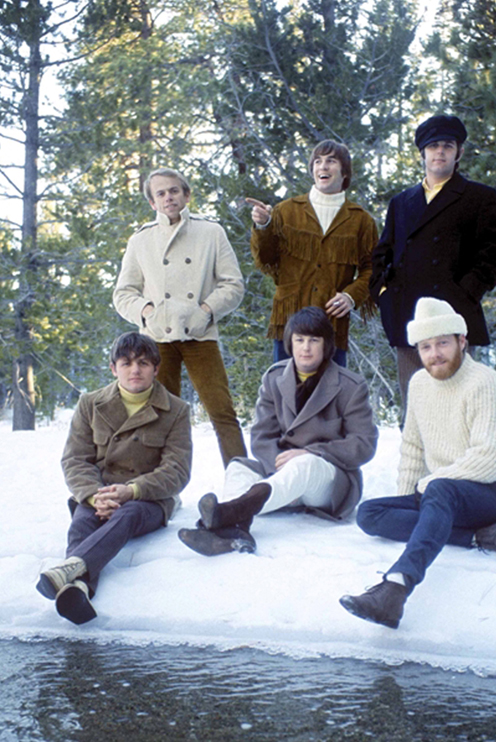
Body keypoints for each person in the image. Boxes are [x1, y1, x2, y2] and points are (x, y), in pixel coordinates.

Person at [339, 298, 496, 630]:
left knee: (440, 488)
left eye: (442, 343)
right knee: (370, 514)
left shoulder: (486, 383)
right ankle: (480, 536)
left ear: (462, 341)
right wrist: (409, 496)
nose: (434, 354)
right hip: (444, 494)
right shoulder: (419, 384)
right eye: (425, 346)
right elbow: (413, 448)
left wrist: (430, 487)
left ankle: (396, 587)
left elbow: (490, 460)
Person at [178, 307, 378, 556]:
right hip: (280, 474)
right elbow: (262, 436)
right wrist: (279, 473)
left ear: (326, 345)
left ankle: (228, 512)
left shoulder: (350, 385)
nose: (306, 348)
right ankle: (234, 531)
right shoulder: (274, 378)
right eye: (299, 340)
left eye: (314, 340)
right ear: (290, 343)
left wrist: (311, 453)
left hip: (327, 482)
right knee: (238, 467)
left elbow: (363, 444)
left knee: (304, 464)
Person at [36, 332, 192, 625]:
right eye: (126, 363)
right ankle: (79, 587)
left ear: (156, 368)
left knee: (128, 514)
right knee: (82, 522)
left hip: (148, 499)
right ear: (113, 368)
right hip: (100, 493)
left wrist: (131, 491)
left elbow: (177, 470)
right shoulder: (90, 404)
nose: (135, 370)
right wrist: (95, 496)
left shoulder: (176, 410)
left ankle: (71, 567)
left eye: (143, 363)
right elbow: (75, 459)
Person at [370, 114, 496, 410]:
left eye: (448, 146)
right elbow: (382, 254)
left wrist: (466, 292)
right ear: (422, 153)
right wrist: (384, 294)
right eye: (433, 146)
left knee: (458, 405)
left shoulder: (479, 197)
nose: (440, 152)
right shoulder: (401, 202)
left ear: (459, 152)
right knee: (415, 406)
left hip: (454, 315)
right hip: (408, 317)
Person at [113, 167, 246, 466]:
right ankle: (157, 483)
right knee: (158, 416)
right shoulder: (141, 240)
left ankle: (243, 480)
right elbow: (123, 293)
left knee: (222, 411)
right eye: (160, 193)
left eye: (174, 191)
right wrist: (148, 313)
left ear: (186, 195)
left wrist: (206, 311)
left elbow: (234, 285)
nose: (168, 197)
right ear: (152, 202)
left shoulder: (211, 232)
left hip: (200, 335)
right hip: (156, 341)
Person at [246, 140, 378, 367]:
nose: (323, 166)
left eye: (331, 161)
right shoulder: (285, 211)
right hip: (288, 323)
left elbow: (373, 269)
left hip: (332, 324)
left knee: (332, 388)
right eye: (318, 161)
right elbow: (266, 260)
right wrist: (263, 225)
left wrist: (351, 296)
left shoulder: (361, 220)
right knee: (285, 387)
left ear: (345, 172)